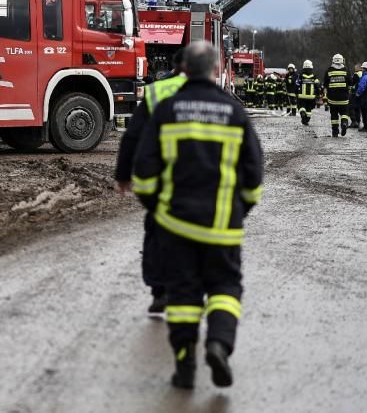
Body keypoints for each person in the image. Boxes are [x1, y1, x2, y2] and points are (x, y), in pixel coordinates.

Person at [131, 42, 264, 390]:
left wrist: (156, 207)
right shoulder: (234, 112)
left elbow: (144, 172)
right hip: (223, 225)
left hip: (176, 224)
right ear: (216, 71)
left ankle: (184, 362)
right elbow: (253, 175)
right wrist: (239, 211)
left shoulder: (168, 108)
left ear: (185, 70)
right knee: (224, 287)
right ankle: (219, 345)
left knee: (183, 294)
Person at [116, 48, 186, 316]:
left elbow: (133, 135)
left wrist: (123, 174)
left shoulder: (156, 91)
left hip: (161, 175)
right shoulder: (212, 96)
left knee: (157, 231)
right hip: (201, 179)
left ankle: (160, 290)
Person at [323, 54, 352, 137]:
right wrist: (348, 91)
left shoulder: (329, 70)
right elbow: (350, 82)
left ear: (333, 60)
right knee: (344, 112)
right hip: (344, 97)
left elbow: (325, 83)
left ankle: (335, 132)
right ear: (342, 60)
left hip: (332, 98)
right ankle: (344, 123)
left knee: (334, 114)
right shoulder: (346, 70)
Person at [296, 60, 321, 126]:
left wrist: (296, 93)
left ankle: (303, 113)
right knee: (309, 109)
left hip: (302, 95)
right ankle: (306, 120)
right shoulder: (314, 76)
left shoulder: (301, 75)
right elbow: (317, 85)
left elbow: (297, 83)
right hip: (311, 96)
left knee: (301, 106)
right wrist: (318, 94)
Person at [354, 62, 367, 132]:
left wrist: (357, 94)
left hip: (364, 97)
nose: (362, 69)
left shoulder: (365, 77)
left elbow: (361, 87)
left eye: (362, 68)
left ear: (365, 69)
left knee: (364, 112)